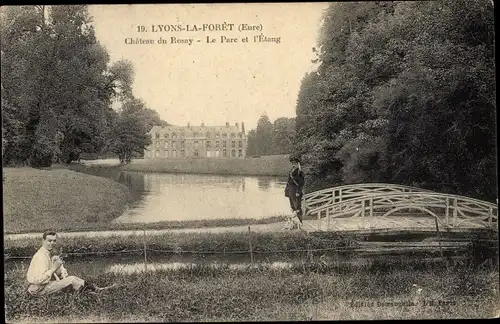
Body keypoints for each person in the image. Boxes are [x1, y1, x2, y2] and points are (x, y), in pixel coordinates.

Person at [26, 230, 111, 296]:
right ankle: (91, 293)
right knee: (71, 280)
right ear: (43, 241)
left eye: (54, 241)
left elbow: (51, 273)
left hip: (42, 286)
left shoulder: (46, 254)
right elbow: (39, 280)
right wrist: (54, 268)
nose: (52, 243)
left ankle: (95, 289)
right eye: (49, 241)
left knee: (72, 278)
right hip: (37, 290)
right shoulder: (40, 256)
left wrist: (60, 269)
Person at [284, 155, 305, 230]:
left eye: (295, 163)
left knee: (297, 208)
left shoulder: (300, 172)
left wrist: (298, 191)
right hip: (291, 191)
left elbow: (301, 183)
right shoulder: (291, 170)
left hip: (296, 191)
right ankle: (295, 224)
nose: (293, 164)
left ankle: (300, 224)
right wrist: (286, 190)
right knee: (292, 207)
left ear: (297, 163)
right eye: (292, 163)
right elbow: (288, 181)